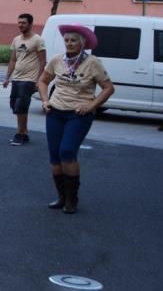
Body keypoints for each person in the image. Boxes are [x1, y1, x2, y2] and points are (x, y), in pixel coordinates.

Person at [38, 23, 114, 214]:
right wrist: (45, 100)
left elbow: (108, 88)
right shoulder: (57, 60)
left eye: (74, 40)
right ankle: (62, 197)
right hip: (55, 112)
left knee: (67, 152)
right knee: (55, 157)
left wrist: (91, 106)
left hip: (78, 115)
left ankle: (72, 199)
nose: (69, 43)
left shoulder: (93, 62)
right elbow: (43, 80)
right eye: (66, 40)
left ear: (83, 43)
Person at [3, 13, 46, 145]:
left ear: (30, 24)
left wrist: (39, 80)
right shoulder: (16, 39)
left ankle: (20, 134)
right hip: (16, 78)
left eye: (24, 23)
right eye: (19, 22)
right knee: (16, 107)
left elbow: (42, 61)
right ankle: (24, 133)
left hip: (29, 79)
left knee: (21, 107)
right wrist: (7, 78)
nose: (20, 25)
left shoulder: (38, 40)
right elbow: (13, 60)